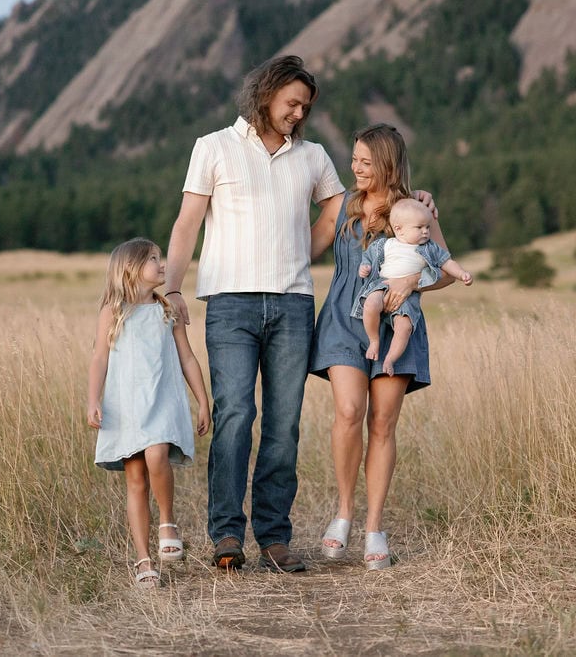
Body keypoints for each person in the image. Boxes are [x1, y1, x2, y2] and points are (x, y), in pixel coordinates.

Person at [164, 54, 346, 573]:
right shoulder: (214, 147)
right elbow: (186, 224)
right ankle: (226, 533)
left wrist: (302, 250)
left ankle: (274, 537)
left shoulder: (311, 156)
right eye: (292, 103)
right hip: (229, 303)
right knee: (236, 415)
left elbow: (337, 208)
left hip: (292, 303)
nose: (298, 113)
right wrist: (171, 289)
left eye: (305, 107)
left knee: (284, 424)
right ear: (265, 94)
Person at [309, 123, 457, 570]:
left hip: (399, 326)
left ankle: (375, 527)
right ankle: (344, 513)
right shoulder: (342, 206)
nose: (355, 168)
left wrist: (414, 280)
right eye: (353, 159)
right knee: (349, 412)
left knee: (383, 423)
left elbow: (446, 270)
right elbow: (304, 248)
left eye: (365, 162)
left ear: (388, 164)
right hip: (342, 319)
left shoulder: (417, 210)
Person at [86, 238, 210, 589]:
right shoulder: (113, 311)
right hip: (125, 406)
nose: (162, 264)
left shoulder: (167, 310)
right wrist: (93, 399)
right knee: (136, 480)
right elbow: (99, 358)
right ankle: (143, 560)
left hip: (161, 401)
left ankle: (167, 522)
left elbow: (187, 357)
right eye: (153, 259)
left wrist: (201, 400)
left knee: (157, 455)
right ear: (130, 269)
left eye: (160, 257)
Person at [353, 199, 473, 376]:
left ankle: (390, 359)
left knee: (405, 327)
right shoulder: (385, 244)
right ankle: (374, 340)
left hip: (408, 297)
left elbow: (447, 262)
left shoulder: (429, 247)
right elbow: (368, 258)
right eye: (419, 228)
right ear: (399, 229)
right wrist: (365, 267)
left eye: (427, 227)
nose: (425, 232)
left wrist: (462, 273)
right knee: (370, 304)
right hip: (383, 285)